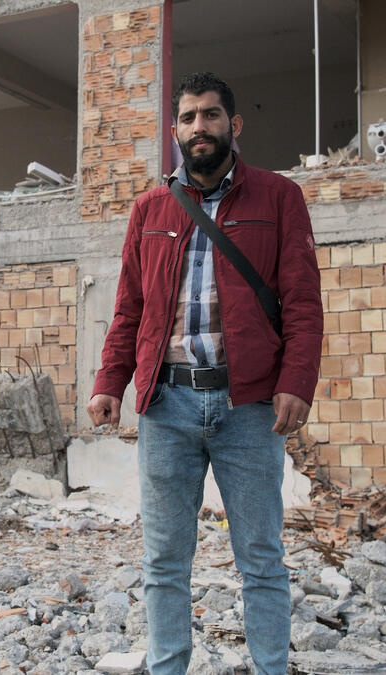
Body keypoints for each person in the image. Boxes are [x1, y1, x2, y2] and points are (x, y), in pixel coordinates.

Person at [86, 72, 323, 675]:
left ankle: (272, 667)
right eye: (189, 118)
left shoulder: (278, 198)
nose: (200, 128)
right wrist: (110, 381)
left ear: (233, 126)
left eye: (212, 116)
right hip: (168, 404)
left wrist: (297, 379)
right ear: (174, 131)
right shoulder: (149, 209)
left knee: (261, 557)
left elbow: (301, 299)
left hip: (248, 407)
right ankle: (168, 667)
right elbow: (130, 307)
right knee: (164, 560)